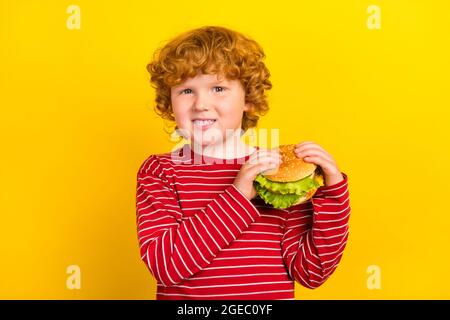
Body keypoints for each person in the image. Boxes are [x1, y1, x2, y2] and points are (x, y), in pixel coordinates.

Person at [136, 25, 351, 300]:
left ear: (248, 98)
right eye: (186, 91)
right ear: (169, 102)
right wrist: (238, 194)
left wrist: (332, 193)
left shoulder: (278, 173)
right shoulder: (160, 172)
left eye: (218, 88)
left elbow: (312, 272)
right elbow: (165, 266)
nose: (201, 104)